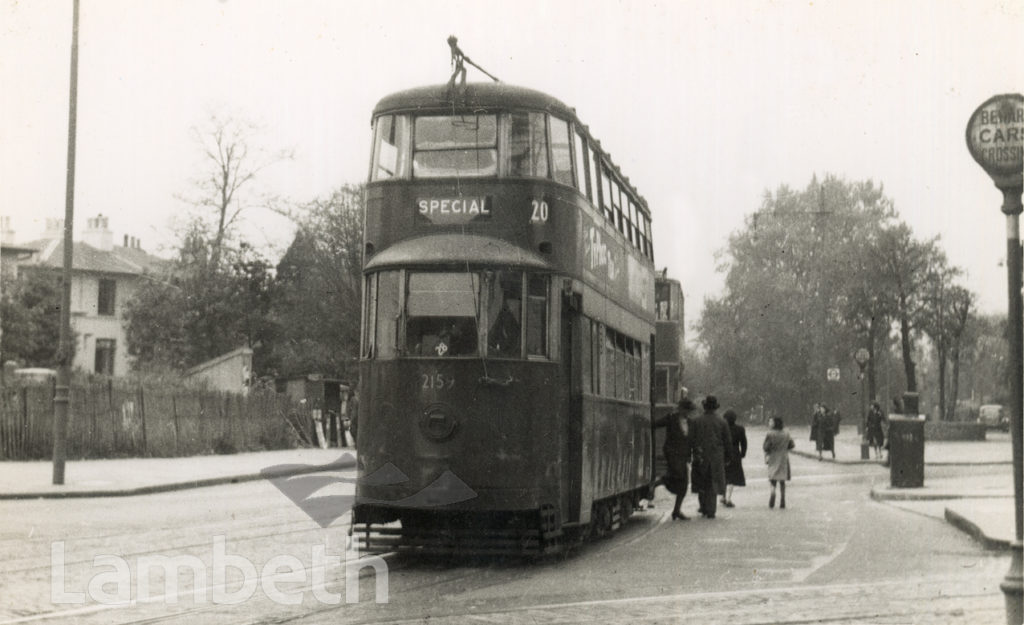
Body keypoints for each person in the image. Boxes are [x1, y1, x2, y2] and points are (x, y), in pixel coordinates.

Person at [652, 398, 696, 520]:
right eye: (685, 409)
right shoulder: (671, 418)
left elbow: (691, 441)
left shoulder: (691, 423)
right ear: (680, 409)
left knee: (684, 483)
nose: (686, 412)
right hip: (672, 454)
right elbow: (655, 424)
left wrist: (690, 455)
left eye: (688, 410)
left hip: (683, 456)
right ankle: (660, 482)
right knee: (679, 477)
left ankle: (676, 510)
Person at [689, 395, 732, 519]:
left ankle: (703, 506)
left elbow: (691, 439)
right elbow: (727, 441)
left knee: (701, 482)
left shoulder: (696, 421)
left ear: (705, 407)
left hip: (700, 455)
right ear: (715, 408)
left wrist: (691, 453)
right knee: (713, 483)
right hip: (716, 457)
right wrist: (728, 457)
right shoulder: (722, 422)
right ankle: (711, 510)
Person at [763, 416, 795, 509]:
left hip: (773, 457)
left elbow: (766, 447)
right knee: (782, 480)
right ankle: (782, 500)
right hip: (784, 458)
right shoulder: (786, 433)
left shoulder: (770, 434)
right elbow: (792, 444)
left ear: (775, 423)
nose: (769, 423)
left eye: (771, 422)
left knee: (773, 478)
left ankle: (773, 492)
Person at [722, 409, 746, 508]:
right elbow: (744, 442)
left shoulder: (722, 428)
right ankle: (728, 498)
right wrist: (743, 453)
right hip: (735, 453)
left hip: (723, 453)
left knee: (724, 475)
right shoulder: (740, 429)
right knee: (732, 477)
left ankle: (723, 497)